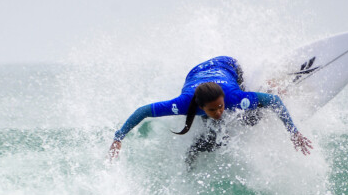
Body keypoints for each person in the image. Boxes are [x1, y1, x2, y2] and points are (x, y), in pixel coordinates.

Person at [108, 56, 312, 164]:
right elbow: (143, 111)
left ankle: (269, 84)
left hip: (228, 65)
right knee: (209, 141)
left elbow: (274, 101)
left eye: (221, 107)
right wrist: (118, 138)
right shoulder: (182, 104)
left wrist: (294, 132)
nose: (220, 112)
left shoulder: (233, 98)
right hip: (196, 72)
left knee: (252, 117)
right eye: (213, 110)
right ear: (200, 107)